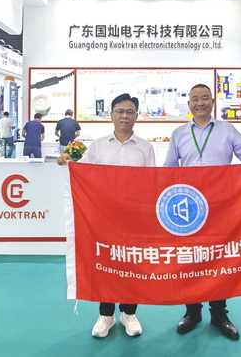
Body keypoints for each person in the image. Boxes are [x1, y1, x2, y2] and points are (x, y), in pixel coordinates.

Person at [164, 84, 241, 341]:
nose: (200, 103)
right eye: (195, 99)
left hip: (221, 206)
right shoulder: (178, 134)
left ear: (212, 102)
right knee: (191, 259)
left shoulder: (227, 130)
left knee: (219, 259)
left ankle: (219, 315)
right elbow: (168, 170)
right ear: (189, 104)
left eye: (205, 98)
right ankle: (192, 312)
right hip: (190, 209)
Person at [57, 93, 155, 339]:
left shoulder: (145, 148)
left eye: (130, 112)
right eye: (120, 111)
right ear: (111, 115)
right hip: (103, 217)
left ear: (136, 116)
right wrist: (67, 161)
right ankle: (106, 315)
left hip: (134, 217)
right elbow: (82, 171)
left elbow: (152, 183)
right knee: (106, 263)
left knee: (132, 263)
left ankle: (129, 313)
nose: (124, 116)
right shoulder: (99, 146)